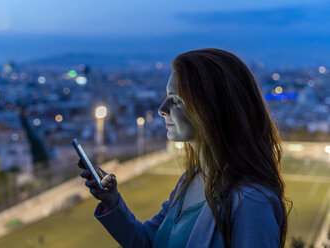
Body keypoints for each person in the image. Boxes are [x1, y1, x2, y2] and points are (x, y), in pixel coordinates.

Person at [78, 48, 292, 248]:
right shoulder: (191, 179)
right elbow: (149, 242)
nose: (162, 109)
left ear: (211, 109)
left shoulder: (253, 202)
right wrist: (112, 200)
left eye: (176, 101)